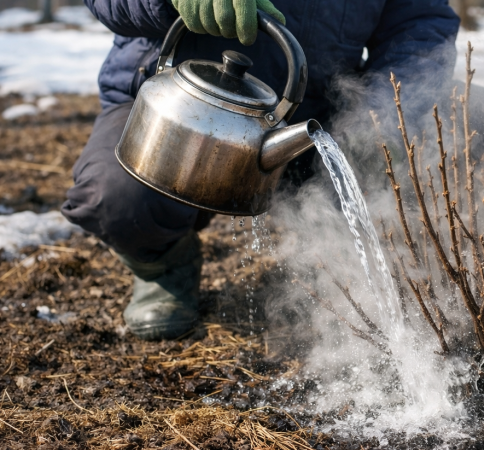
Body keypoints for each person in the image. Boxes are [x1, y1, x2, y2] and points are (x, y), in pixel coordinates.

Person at [61, 0, 460, 340]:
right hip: (178, 112)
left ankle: (352, 274)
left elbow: (420, 23)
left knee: (468, 133)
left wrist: (385, 114)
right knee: (116, 196)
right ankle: (163, 263)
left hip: (310, 118)